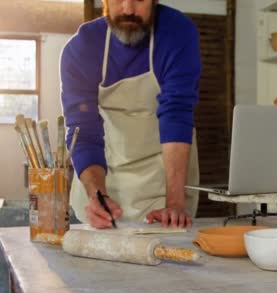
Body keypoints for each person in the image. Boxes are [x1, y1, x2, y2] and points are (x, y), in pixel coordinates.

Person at [60, 0, 201, 229]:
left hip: (164, 179)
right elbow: (83, 131)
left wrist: (174, 203)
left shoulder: (177, 32)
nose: (128, 9)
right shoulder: (83, 47)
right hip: (105, 174)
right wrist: (97, 196)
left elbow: (176, 113)